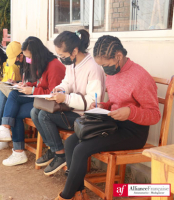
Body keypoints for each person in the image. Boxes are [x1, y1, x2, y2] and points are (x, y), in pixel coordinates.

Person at [55, 35, 161, 200]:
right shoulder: (113, 72)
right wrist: (103, 106)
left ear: (118, 56)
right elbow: (115, 101)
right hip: (113, 123)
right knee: (71, 143)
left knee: (82, 149)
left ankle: (65, 196)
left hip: (133, 131)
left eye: (106, 65)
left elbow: (154, 115)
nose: (104, 70)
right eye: (101, 66)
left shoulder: (141, 77)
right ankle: (79, 193)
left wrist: (130, 112)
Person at [30, 30, 106, 176]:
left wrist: (65, 99)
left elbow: (92, 101)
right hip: (72, 111)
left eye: (63, 56)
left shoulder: (93, 68)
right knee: (35, 111)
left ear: (75, 51)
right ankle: (54, 150)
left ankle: (60, 154)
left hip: (86, 117)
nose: (61, 59)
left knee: (44, 116)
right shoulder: (72, 64)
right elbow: (67, 83)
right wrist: (59, 90)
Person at [0, 37, 66, 166]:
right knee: (15, 95)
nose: (28, 60)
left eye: (29, 57)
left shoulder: (54, 66)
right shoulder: (41, 62)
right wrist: (26, 85)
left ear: (37, 54)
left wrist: (33, 90)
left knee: (14, 103)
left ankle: (10, 137)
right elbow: (38, 81)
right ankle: (14, 146)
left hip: (51, 104)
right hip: (40, 99)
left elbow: (54, 94)